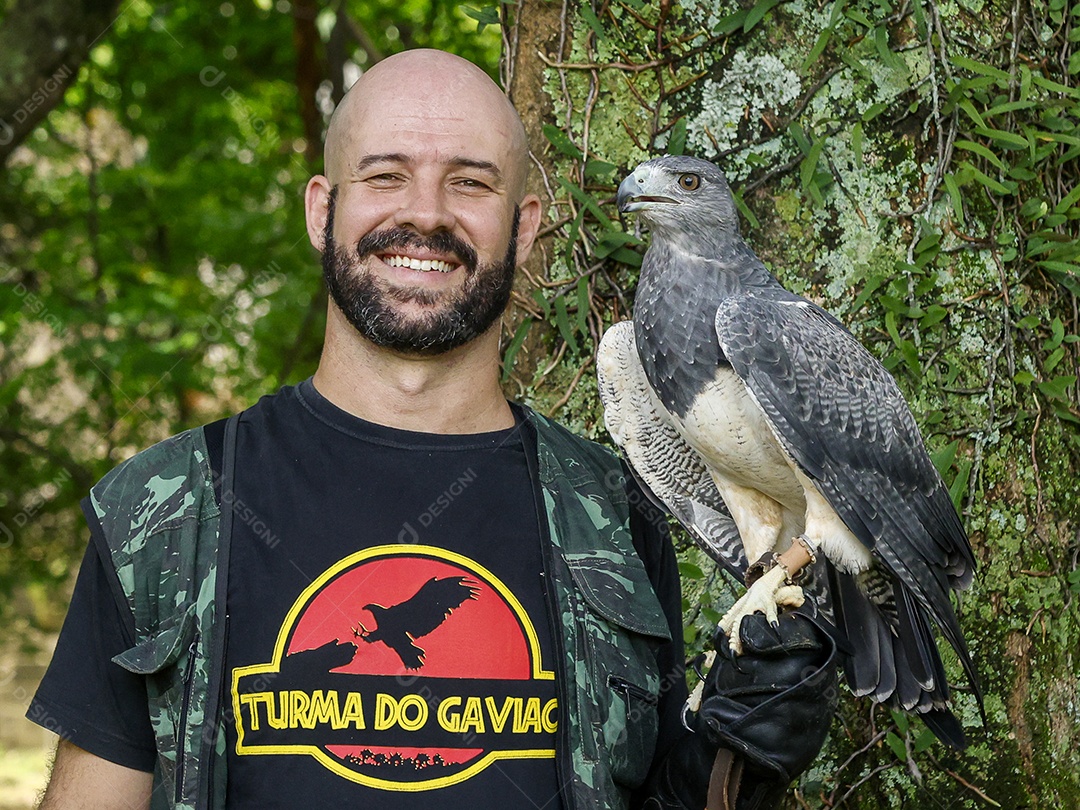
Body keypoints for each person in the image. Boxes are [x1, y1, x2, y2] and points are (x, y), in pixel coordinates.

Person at [27, 49, 835, 810]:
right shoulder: (166, 509)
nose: (425, 213)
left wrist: (727, 761)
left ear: (522, 227)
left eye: (470, 184)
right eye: (385, 175)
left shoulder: (613, 514)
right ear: (322, 209)